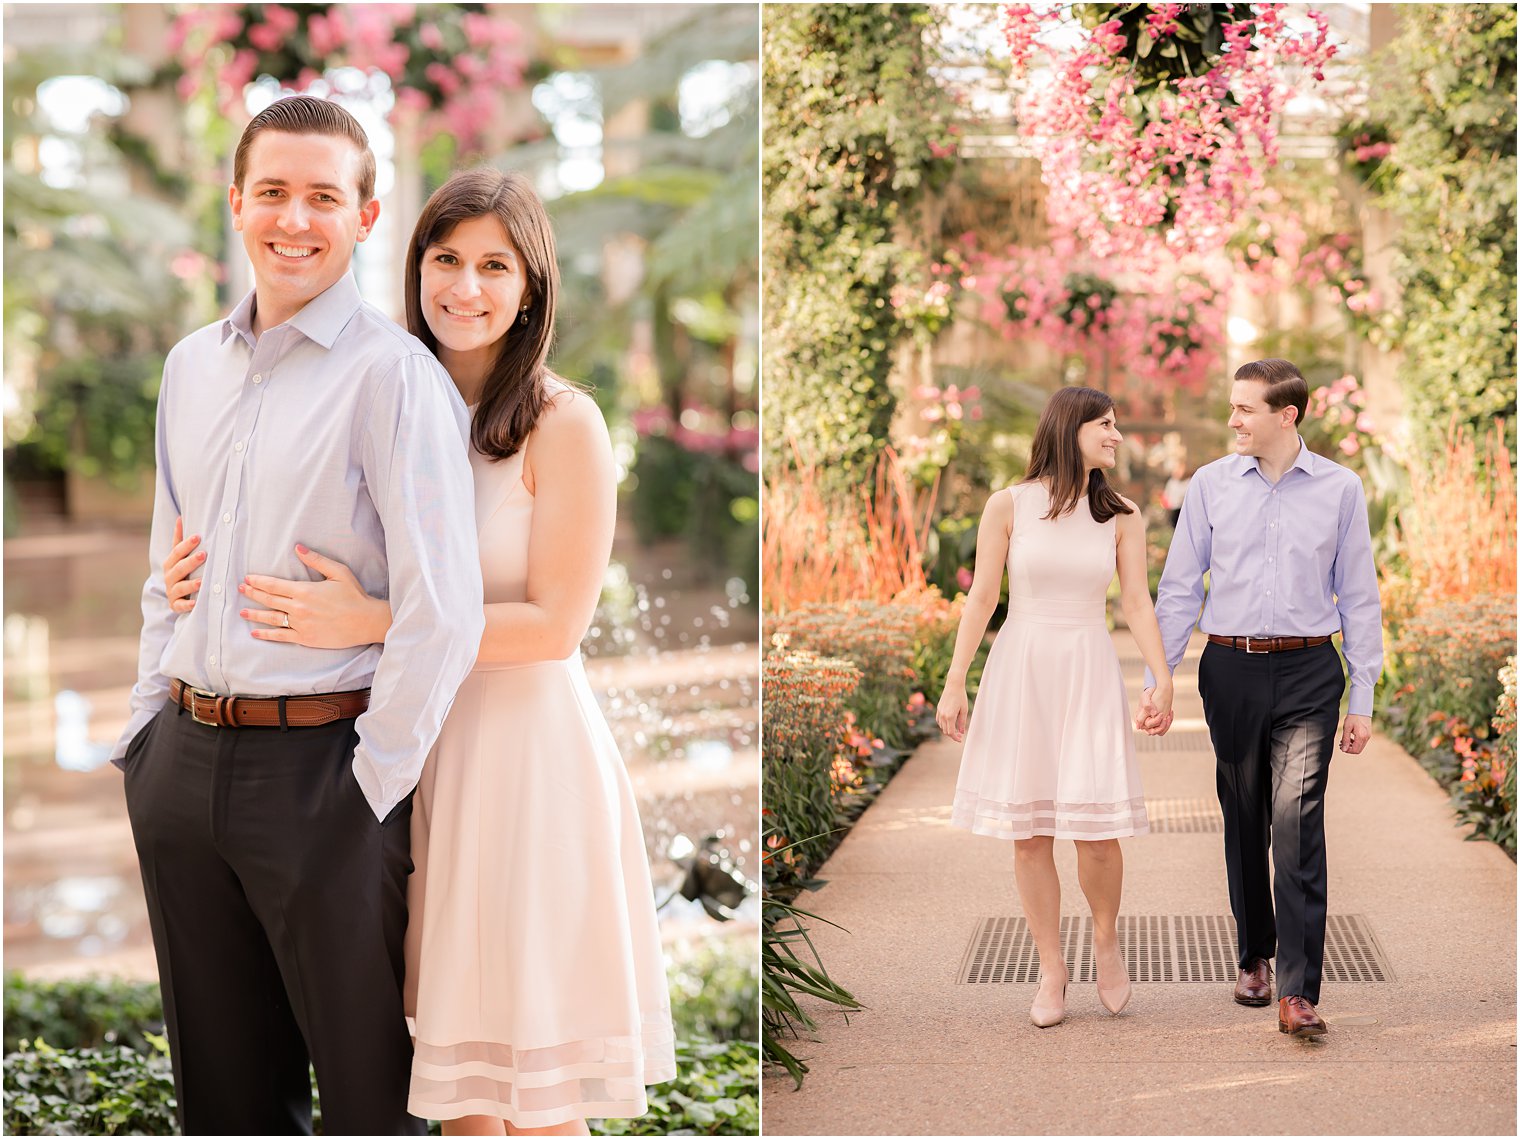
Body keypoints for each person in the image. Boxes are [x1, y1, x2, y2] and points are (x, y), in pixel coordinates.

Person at [169, 168, 676, 1134]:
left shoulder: (564, 424)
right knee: (450, 1091)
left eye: (495, 265)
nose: (466, 287)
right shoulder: (389, 385)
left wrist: (377, 620)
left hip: (516, 763)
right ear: (414, 265)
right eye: (445, 259)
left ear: (531, 287)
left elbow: (556, 627)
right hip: (402, 757)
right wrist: (190, 581)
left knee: (526, 1088)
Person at [113, 96, 484, 1134]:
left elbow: (441, 610)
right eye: (273, 191)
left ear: (366, 218)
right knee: (224, 1103)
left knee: (371, 1102)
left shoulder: (394, 376)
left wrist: (369, 783)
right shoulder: (190, 366)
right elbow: (163, 570)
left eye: (324, 196)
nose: (295, 217)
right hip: (182, 770)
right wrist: (146, 738)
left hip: (326, 772)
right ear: (237, 203)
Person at [1138, 358, 1382, 1039]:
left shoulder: (1340, 488)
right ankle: (1254, 953)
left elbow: (1359, 596)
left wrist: (1361, 693)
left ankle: (1300, 991)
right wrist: (1162, 679)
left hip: (1310, 670)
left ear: (1287, 414)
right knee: (1244, 812)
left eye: (1246, 408)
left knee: (1297, 819)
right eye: (1233, 407)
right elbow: (1182, 587)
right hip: (1232, 668)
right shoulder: (1212, 484)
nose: (1233, 419)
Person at [937, 386, 1174, 1029]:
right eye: (1106, 424)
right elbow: (984, 595)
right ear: (1071, 429)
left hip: (1088, 667)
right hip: (1023, 667)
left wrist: (1162, 676)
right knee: (1030, 833)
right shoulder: (1008, 505)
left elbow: (1135, 603)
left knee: (1098, 834)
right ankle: (1050, 968)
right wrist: (956, 680)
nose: (1117, 435)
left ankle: (1105, 940)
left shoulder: (1122, 513)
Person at [1161, 458, 1192, 529]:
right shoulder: (1172, 482)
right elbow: (1166, 495)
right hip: (1172, 510)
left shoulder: (1189, 482)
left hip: (1182, 510)